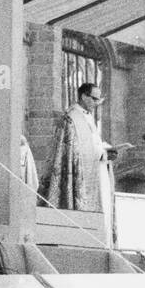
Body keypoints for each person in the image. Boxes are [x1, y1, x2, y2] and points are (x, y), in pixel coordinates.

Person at [39, 82, 115, 221]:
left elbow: (92, 142)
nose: (97, 103)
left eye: (99, 100)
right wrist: (102, 153)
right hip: (80, 172)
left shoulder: (87, 116)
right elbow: (77, 150)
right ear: (84, 96)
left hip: (96, 168)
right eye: (94, 99)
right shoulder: (72, 118)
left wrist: (105, 149)